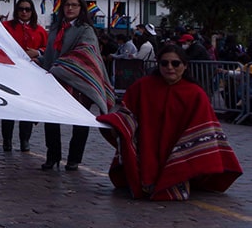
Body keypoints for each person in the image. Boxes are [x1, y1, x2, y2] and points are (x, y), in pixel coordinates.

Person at [96, 44, 243, 200]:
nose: (170, 67)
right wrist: (115, 121)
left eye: (175, 63)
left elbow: (205, 126)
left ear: (185, 66)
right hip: (148, 146)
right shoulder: (142, 87)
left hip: (179, 147)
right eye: (164, 63)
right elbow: (127, 112)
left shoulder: (195, 93)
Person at [39, 0, 115, 171]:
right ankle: (52, 156)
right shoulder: (56, 28)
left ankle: (74, 159)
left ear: (81, 9)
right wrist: (41, 60)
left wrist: (62, 65)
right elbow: (52, 53)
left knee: (80, 121)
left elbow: (86, 53)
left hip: (78, 81)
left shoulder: (85, 30)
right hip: (55, 80)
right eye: (67, 5)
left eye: (74, 5)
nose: (70, 8)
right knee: (50, 119)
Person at [0, 0, 48, 152]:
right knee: (8, 108)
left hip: (31, 75)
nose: (24, 12)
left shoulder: (39, 30)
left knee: (27, 109)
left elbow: (48, 48)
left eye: (28, 9)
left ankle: (25, 140)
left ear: (32, 11)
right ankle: (7, 140)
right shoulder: (6, 27)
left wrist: (38, 52)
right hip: (10, 73)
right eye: (21, 9)